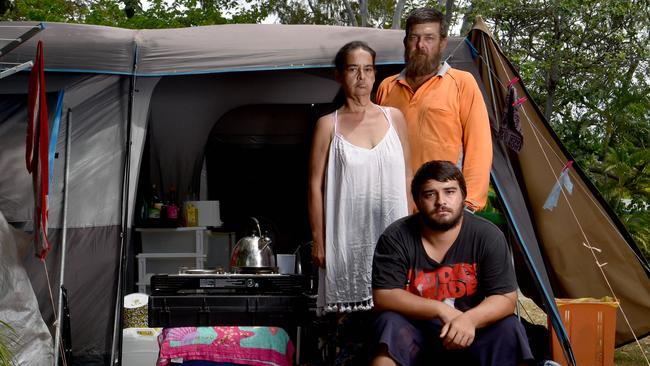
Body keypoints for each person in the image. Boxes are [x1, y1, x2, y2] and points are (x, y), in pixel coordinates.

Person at [371, 160, 533, 366]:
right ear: (417, 201)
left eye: (449, 192)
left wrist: (470, 319)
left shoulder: (487, 236)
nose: (441, 201)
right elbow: (384, 295)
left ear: (463, 196)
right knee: (389, 324)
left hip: (471, 333)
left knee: (510, 328)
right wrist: (440, 309)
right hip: (415, 332)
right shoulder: (396, 237)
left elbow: (505, 298)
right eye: (430, 194)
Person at [308, 41, 412, 314]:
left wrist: (418, 233)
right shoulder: (328, 124)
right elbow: (314, 186)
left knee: (398, 314)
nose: (362, 77)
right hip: (347, 240)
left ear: (375, 74)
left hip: (395, 234)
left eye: (368, 69)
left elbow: (409, 175)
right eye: (353, 69)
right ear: (339, 75)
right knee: (351, 324)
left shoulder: (395, 118)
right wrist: (319, 240)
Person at [376, 8, 492, 212]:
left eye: (429, 38)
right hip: (392, 202)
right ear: (406, 42)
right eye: (414, 38)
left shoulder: (462, 83)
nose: (421, 46)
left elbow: (479, 146)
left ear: (442, 43)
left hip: (441, 206)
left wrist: (469, 204)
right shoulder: (387, 86)